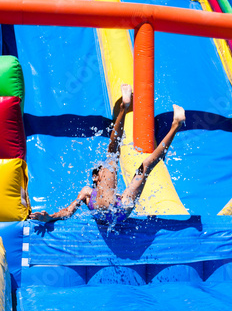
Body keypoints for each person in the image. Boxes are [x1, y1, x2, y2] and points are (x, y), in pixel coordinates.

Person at [29, 84, 185, 224]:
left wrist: (50, 217)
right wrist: (49, 217)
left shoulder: (90, 193)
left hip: (117, 209)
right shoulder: (88, 192)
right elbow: (67, 211)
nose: (102, 172)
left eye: (102, 171)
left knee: (127, 160)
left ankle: (166, 122)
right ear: (95, 177)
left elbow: (69, 212)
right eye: (100, 171)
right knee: (129, 161)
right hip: (121, 211)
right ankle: (169, 124)